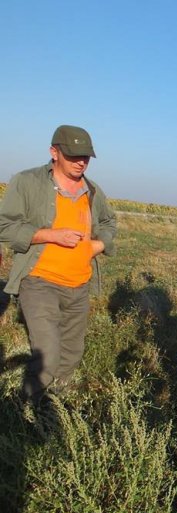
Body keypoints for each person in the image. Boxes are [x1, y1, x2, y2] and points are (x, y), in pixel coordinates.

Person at [0, 125, 117, 399]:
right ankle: (25, 412)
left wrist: (97, 245)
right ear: (54, 152)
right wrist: (50, 235)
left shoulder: (93, 191)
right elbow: (5, 226)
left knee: (71, 355)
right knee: (48, 356)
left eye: (86, 157)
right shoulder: (27, 182)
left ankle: (51, 409)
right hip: (39, 282)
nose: (81, 162)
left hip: (79, 287)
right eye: (74, 155)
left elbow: (109, 223)